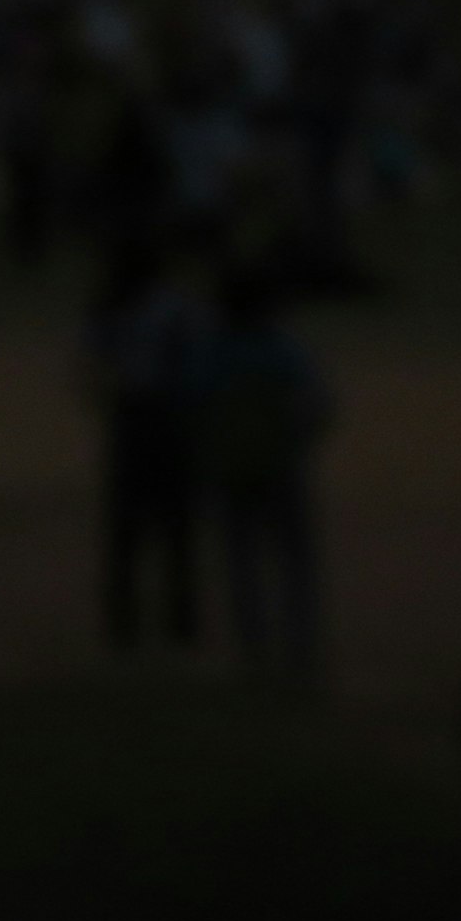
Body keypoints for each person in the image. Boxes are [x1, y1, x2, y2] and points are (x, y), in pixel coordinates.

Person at [201, 266, 334, 684]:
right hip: (280, 468)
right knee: (294, 562)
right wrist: (298, 441)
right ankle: (300, 647)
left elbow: (191, 409)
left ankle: (254, 647)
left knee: (243, 561)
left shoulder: (212, 354)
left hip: (232, 470)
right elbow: (318, 405)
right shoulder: (284, 351)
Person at [84, 239, 213, 650]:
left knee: (127, 527)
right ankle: (181, 618)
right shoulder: (175, 306)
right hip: (169, 419)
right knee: (176, 526)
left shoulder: (110, 307)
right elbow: (196, 361)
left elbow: (90, 365)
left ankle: (125, 619)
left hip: (132, 417)